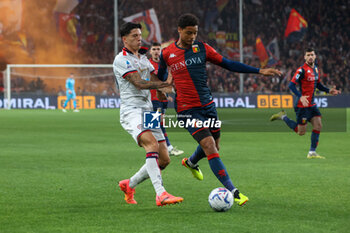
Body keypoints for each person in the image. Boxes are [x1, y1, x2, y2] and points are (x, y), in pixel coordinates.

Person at [157, 14, 282, 206]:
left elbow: (228, 64)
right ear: (179, 30)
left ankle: (190, 162)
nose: (192, 37)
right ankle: (234, 191)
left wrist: (259, 71)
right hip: (186, 110)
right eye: (188, 33)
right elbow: (160, 76)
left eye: (195, 33)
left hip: (208, 106)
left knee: (215, 145)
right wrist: (163, 87)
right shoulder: (167, 54)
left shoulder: (202, 48)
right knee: (209, 146)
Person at [114, 22, 183, 206]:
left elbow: (154, 81)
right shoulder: (121, 60)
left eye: (139, 35)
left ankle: (129, 185)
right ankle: (161, 194)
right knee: (151, 144)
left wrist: (166, 90)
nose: (139, 38)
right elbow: (140, 83)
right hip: (132, 111)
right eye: (135, 36)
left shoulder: (143, 58)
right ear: (125, 39)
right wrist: (163, 84)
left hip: (148, 110)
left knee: (164, 159)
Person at [270, 48, 341, 159]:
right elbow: (291, 85)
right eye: (308, 55)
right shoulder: (301, 70)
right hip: (301, 106)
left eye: (312, 54)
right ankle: (283, 117)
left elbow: (318, 84)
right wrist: (300, 96)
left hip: (311, 104)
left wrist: (328, 90)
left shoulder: (316, 69)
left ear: (315, 56)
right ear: (305, 57)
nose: (310, 57)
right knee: (300, 132)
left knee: (318, 125)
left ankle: (312, 152)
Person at [149, 42, 184, 156]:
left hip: (163, 99)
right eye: (154, 49)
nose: (156, 51)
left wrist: (168, 94)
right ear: (150, 52)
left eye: (158, 49)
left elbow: (167, 82)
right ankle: (167, 148)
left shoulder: (165, 65)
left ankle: (155, 149)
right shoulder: (148, 65)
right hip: (152, 98)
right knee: (157, 124)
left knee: (155, 124)